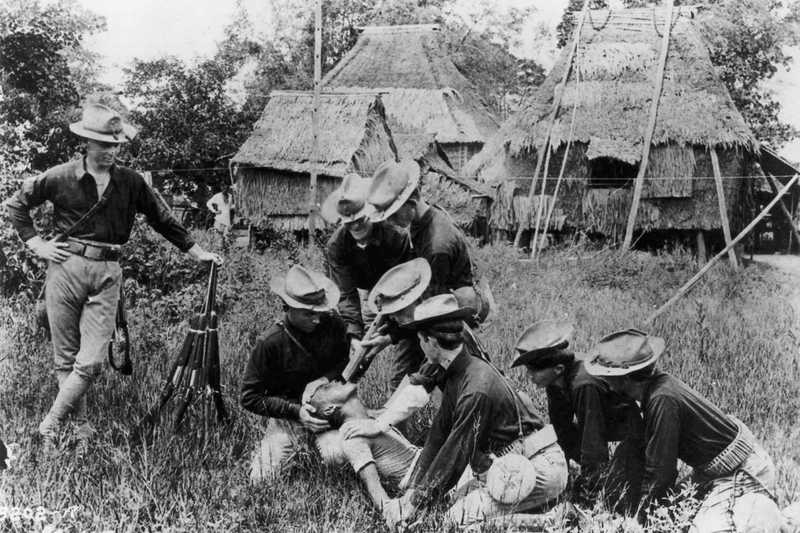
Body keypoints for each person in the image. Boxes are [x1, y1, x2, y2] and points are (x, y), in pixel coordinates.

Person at [4, 103, 222, 449]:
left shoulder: (131, 182)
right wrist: (37, 244)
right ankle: (81, 428)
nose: (109, 151)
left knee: (90, 361)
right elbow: (16, 204)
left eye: (115, 145)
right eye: (103, 144)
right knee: (66, 358)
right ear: (86, 144)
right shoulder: (60, 176)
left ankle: (50, 423)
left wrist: (198, 252)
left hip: (107, 273)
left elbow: (162, 219)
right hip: (65, 268)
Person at [365, 294, 568, 528]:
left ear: (431, 342)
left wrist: (414, 503)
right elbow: (439, 435)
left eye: (420, 340)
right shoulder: (457, 370)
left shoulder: (476, 389)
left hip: (538, 469)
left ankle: (548, 520)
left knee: (455, 519)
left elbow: (456, 451)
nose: (420, 346)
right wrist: (413, 491)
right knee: (448, 499)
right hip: (507, 464)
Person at [584, 329, 784, 532]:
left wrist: (639, 521)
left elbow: (660, 473)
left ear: (624, 379)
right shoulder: (657, 390)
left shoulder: (662, 400)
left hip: (741, 471)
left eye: (608, 376)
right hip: (711, 473)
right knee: (674, 514)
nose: (605, 382)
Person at [511, 320, 644, 512]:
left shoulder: (584, 384)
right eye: (528, 370)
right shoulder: (555, 381)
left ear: (558, 369)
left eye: (535, 371)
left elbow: (594, 442)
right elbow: (560, 429)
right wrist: (558, 473)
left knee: (613, 491)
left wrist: (588, 489)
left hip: (628, 429)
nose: (529, 376)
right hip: (599, 420)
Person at [240, 264, 350, 483]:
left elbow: (346, 365)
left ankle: (319, 448)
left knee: (340, 460)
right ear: (287, 307)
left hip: (329, 412)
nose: (317, 319)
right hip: (288, 417)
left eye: (320, 311)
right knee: (261, 479)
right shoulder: (270, 343)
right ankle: (287, 444)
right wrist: (297, 412)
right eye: (309, 314)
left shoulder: (334, 325)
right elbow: (249, 397)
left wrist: (325, 379)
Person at [306, 381, 421, 523]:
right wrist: (393, 513)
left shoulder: (370, 420)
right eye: (327, 387)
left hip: (429, 463)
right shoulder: (352, 437)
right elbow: (375, 490)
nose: (335, 381)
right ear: (330, 409)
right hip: (424, 477)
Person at [322, 173, 413, 344]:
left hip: (398, 292)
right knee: (358, 347)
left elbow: (407, 286)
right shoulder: (336, 246)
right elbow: (346, 294)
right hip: (365, 292)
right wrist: (354, 335)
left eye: (360, 220)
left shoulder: (396, 236)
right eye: (349, 223)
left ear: (370, 213)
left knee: (405, 342)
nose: (356, 226)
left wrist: (393, 331)